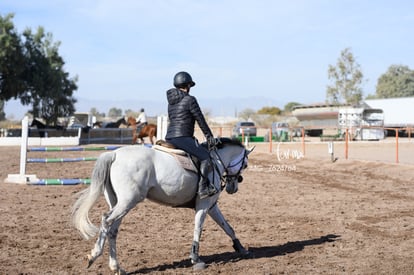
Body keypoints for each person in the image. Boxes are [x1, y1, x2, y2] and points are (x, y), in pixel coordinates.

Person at [165, 71, 217, 199]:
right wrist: (209, 137)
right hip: (182, 137)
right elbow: (200, 119)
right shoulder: (190, 99)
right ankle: (203, 188)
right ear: (187, 85)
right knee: (205, 157)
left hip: (170, 137)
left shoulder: (171, 102)